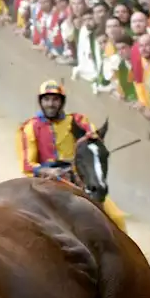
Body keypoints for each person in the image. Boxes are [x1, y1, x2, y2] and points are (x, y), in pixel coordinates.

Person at [17, 80, 128, 229]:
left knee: (116, 217)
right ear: (40, 102)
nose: (51, 104)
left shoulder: (77, 120)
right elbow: (27, 164)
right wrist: (47, 170)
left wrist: (89, 137)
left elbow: (92, 135)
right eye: (46, 99)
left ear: (62, 102)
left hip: (76, 177)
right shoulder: (29, 127)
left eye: (55, 99)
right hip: (45, 181)